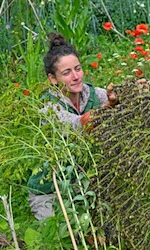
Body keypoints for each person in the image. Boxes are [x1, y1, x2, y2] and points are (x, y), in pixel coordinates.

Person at [27, 32, 118, 220]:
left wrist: (132, 93)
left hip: (86, 184)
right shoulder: (49, 107)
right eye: (67, 73)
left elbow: (117, 100)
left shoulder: (92, 94)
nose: (76, 77)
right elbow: (78, 125)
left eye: (78, 69)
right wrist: (109, 106)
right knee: (56, 230)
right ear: (53, 79)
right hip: (52, 188)